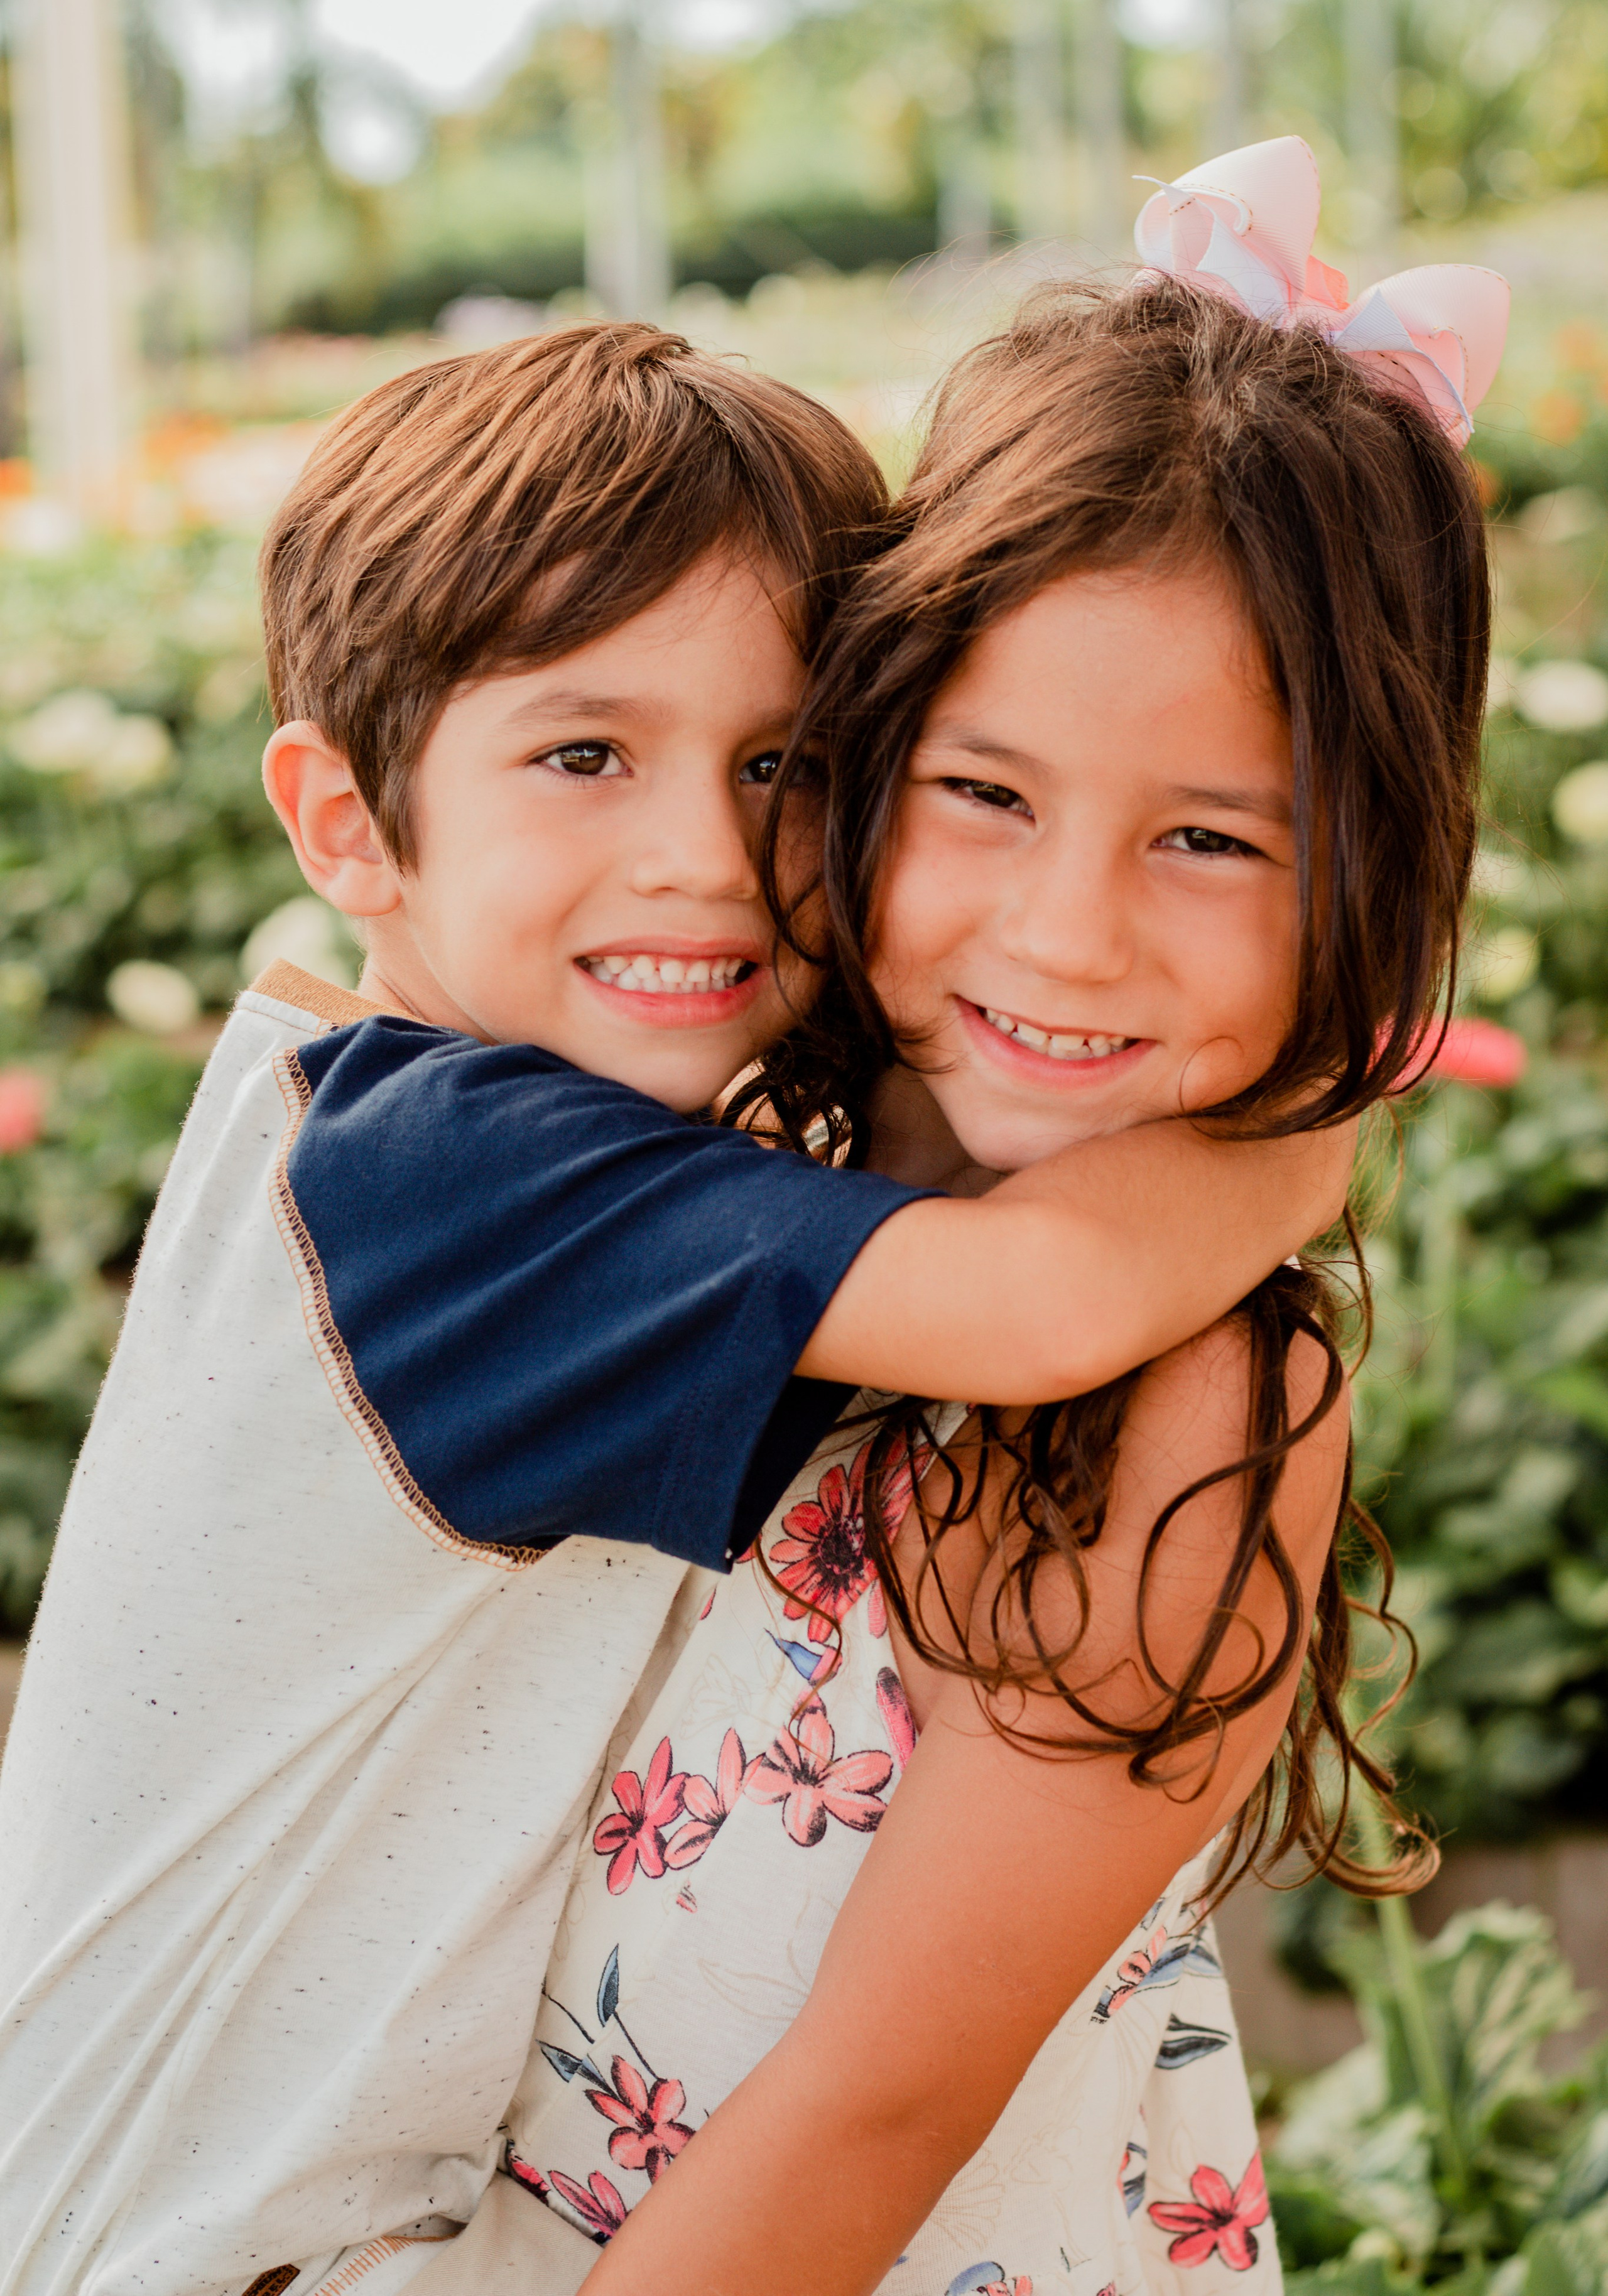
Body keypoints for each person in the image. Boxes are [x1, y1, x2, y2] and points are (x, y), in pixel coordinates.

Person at [0, 321, 1347, 2296]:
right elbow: (1046, 1298)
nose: (708, 862)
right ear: (346, 820)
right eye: (583, 753)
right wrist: (1326, 1110)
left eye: (788, 767)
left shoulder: (426, 1135)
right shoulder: (448, 1175)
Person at [415, 141, 1508, 2296]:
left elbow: (869, 2114)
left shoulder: (1199, 1396)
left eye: (1212, 839)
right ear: (858, 749)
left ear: (1369, 878)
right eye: (988, 795)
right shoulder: (705, 1153)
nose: (1069, 936)